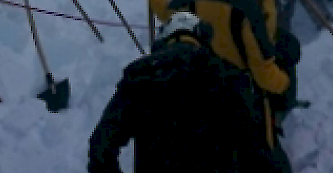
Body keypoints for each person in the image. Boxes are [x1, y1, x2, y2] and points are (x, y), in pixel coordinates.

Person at [141, 0, 294, 167]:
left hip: (207, 90)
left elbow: (167, 10)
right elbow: (263, 74)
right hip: (243, 96)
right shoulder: (247, 9)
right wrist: (285, 85)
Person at [87, 11, 272, 173]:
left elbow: (101, 147)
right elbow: (256, 150)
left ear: (164, 39)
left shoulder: (139, 77)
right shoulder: (229, 76)